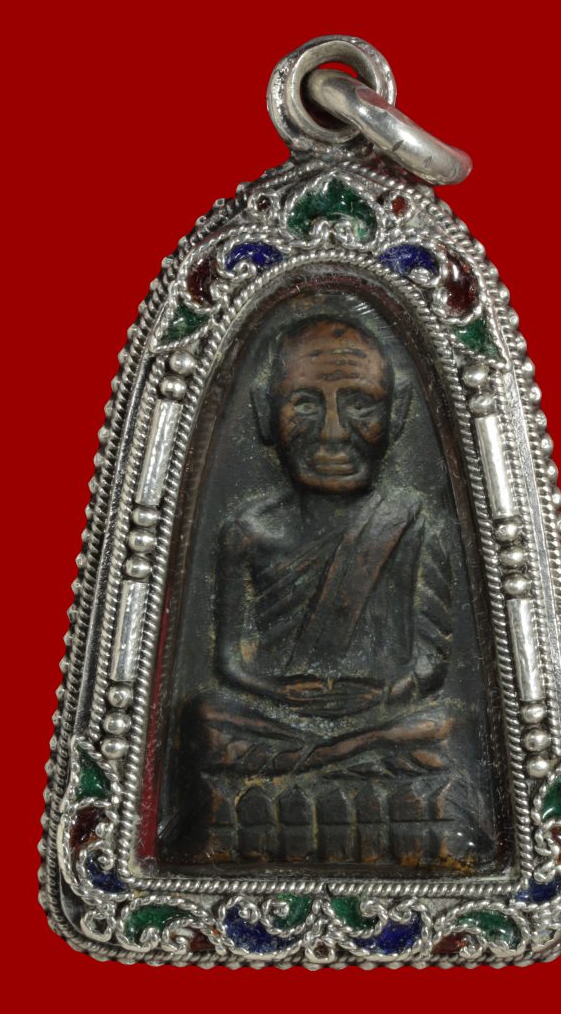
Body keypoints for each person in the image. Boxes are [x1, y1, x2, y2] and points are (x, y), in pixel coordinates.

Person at [163, 317, 488, 867]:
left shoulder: (414, 524)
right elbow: (230, 663)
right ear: (264, 415)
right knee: (205, 718)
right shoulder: (248, 530)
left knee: (448, 729)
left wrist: (380, 697)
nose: (334, 433)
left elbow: (429, 662)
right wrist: (278, 693)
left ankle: (288, 795)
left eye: (361, 404)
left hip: (382, 721)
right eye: (305, 405)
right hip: (274, 720)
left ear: (398, 414)